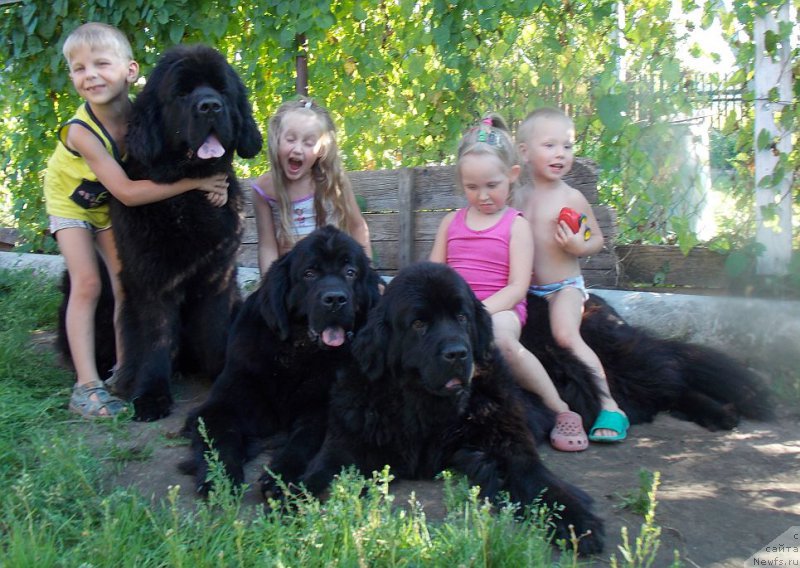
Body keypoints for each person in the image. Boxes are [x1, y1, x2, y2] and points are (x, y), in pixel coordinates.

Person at [44, 22, 229, 419]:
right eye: (79, 68)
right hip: (74, 206)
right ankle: (86, 384)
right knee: (89, 283)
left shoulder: (140, 112)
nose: (91, 75)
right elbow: (128, 190)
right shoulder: (81, 133)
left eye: (101, 64)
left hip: (106, 202)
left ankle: (125, 371)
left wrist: (220, 185)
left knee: (127, 287)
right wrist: (193, 183)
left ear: (130, 71)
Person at [430, 114, 588, 452]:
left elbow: (518, 286)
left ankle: (559, 407)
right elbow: (434, 273)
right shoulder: (451, 222)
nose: (483, 196)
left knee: (500, 340)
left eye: (492, 185)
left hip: (500, 307)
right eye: (472, 187)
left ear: (511, 177)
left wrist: (476, 312)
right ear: (461, 183)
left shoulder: (515, 225)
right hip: (457, 311)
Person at [515, 107, 629, 442]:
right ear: (524, 152)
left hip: (562, 287)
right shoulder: (516, 196)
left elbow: (597, 238)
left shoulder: (571, 197)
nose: (561, 154)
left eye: (567, 146)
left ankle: (610, 406)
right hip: (525, 288)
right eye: (550, 146)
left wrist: (580, 245)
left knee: (565, 335)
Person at [250, 97, 372, 276]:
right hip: (293, 277)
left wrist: (368, 276)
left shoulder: (332, 181)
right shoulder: (264, 189)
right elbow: (267, 246)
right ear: (277, 140)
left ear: (321, 150)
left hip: (331, 274)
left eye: (308, 143)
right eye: (290, 139)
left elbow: (358, 227)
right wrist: (270, 286)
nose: (298, 149)